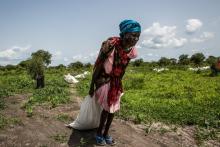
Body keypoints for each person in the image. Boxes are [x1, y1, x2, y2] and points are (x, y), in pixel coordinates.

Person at [89, 19, 141, 145]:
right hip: (103, 79)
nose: (135, 39)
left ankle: (106, 133)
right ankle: (99, 134)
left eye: (138, 36)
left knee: (113, 109)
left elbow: (123, 69)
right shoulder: (110, 45)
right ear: (124, 34)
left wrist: (118, 84)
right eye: (133, 35)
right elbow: (99, 65)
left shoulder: (131, 51)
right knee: (108, 108)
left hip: (116, 81)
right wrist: (91, 85)